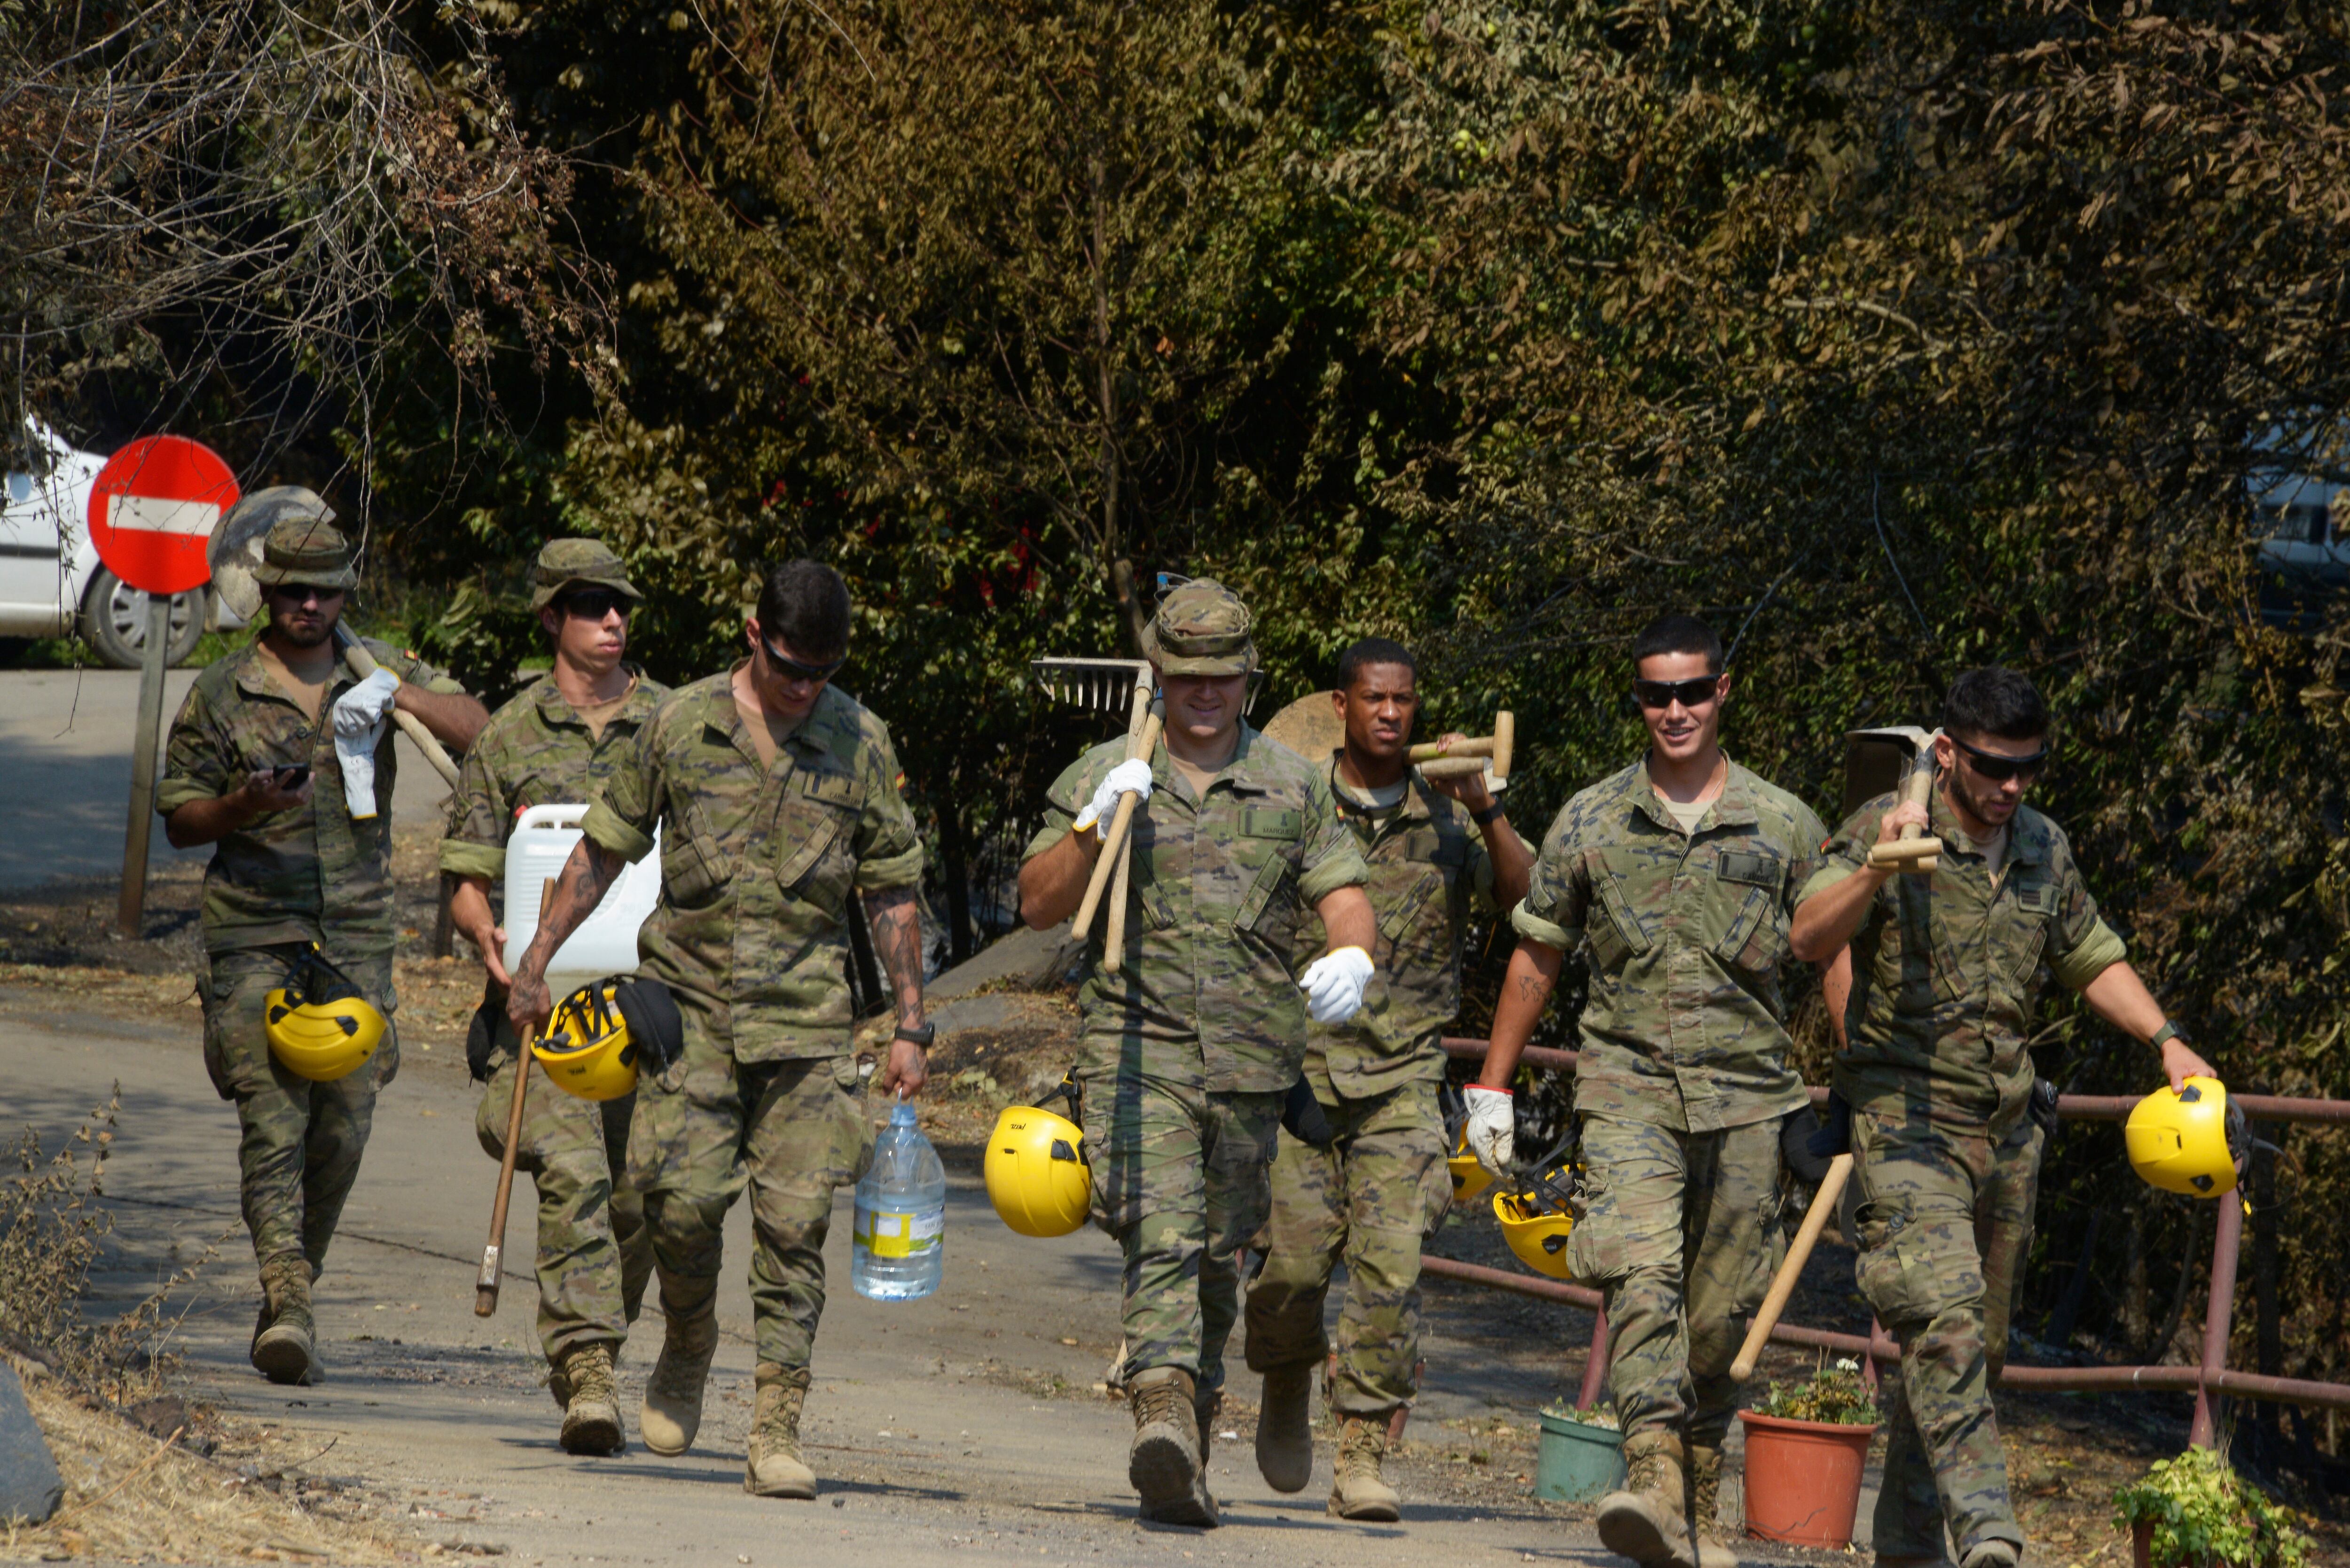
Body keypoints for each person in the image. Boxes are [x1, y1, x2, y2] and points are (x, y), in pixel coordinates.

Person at [504, 559, 930, 1501]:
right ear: (752, 634)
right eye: (789, 665)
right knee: (678, 1208)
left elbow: (893, 886)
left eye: (822, 670)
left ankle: (776, 1425)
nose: (805, 686)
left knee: (796, 1225)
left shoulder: (858, 741)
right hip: (689, 1014)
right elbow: (605, 845)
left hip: (807, 1028)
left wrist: (910, 1023)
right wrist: (537, 960)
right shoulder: (678, 724)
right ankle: (689, 1334)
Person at [1789, 667, 2216, 1568]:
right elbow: (1808, 937)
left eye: (2029, 767)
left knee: (1966, 1350)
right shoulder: (1883, 825)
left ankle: (1907, 1550)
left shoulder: (2042, 846)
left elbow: (2089, 952)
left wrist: (2167, 1038)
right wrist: (1877, 864)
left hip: (2008, 1129)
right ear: (1949, 752)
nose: (2012, 785)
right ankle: (1990, 1530)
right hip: (1905, 1118)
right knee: (1940, 1321)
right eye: (1994, 766)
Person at [1017, 577, 1377, 1528]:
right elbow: (1039, 902)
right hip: (1138, 1048)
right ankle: (1161, 1407)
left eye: (1222, 675)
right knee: (1164, 1233)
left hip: (1253, 1067)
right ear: (1160, 676)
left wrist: (1354, 953)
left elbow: (1345, 893)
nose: (1204, 693)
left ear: (1248, 678)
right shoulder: (1111, 767)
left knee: (1219, 1256)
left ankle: (1188, 1440)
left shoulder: (1295, 785)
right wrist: (1095, 822)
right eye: (1186, 676)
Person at [1470, 612, 1825, 1568]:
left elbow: (1830, 955)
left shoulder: (1786, 822)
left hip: (1751, 1100)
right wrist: (1492, 1087)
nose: (1674, 709)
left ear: (1723, 691)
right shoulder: (1591, 817)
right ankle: (1654, 1470)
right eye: (1655, 694)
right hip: (1625, 1087)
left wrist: (1851, 1096)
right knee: (1640, 1274)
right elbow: (1537, 954)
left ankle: (1690, 1488)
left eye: (1691, 691)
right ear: (1637, 701)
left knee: (1718, 1314)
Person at [159, 507, 486, 1387]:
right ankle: (290, 1299)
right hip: (254, 932)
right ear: (267, 593)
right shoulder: (225, 690)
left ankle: (290, 1288)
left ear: (348, 591)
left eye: (326, 589)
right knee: (274, 1118)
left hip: (355, 937)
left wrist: (402, 696)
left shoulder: (375, 667)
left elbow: (482, 730)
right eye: (292, 589)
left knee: (342, 1127)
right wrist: (240, 806)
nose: (309, 604)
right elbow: (181, 818)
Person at [1242, 637, 1532, 1519]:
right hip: (1298, 1077)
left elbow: (1528, 904)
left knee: (1393, 1266)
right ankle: (1287, 1376)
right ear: (1341, 703)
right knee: (1290, 1270)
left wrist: (1487, 811)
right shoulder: (1294, 803)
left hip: (1402, 1076)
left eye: (1404, 700)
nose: (1392, 714)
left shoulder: (1446, 816)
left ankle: (1363, 1449)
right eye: (1374, 698)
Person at [439, 540, 666, 1455]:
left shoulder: (673, 725)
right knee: (576, 1172)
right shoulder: (508, 737)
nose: (613, 620)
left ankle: (596, 1339)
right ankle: (589, 1373)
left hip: (650, 1014)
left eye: (621, 605)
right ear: (550, 618)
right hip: (541, 1016)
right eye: (591, 604)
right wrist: (484, 933)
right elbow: (465, 873)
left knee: (643, 1195)